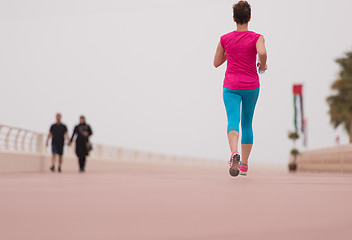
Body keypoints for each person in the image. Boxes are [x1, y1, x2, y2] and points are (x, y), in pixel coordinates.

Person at [213, 1, 267, 177]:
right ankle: (243, 164)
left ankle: (233, 152)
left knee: (233, 120)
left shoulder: (225, 39)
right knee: (247, 123)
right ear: (250, 18)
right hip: (251, 85)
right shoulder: (257, 37)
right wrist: (263, 65)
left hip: (231, 86)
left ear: (234, 18)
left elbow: (216, 63)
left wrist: (231, 53)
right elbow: (263, 53)